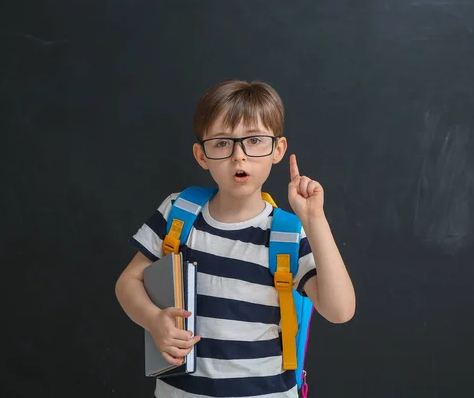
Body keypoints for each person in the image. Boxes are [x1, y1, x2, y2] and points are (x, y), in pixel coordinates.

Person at [115, 79, 356, 397]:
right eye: (222, 143)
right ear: (202, 155)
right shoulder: (178, 211)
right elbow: (127, 283)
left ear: (278, 150)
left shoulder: (286, 233)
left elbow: (340, 311)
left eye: (254, 141)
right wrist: (154, 321)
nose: (239, 156)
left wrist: (314, 219)